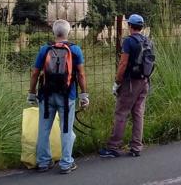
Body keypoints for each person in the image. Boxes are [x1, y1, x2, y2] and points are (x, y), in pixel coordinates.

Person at [27, 19, 89, 174]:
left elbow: (35, 72)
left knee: (44, 129)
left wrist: (31, 93)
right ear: (68, 32)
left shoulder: (44, 49)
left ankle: (43, 162)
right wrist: (83, 95)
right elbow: (81, 74)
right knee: (66, 129)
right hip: (67, 96)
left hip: (46, 96)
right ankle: (66, 163)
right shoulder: (75, 50)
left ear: (54, 32)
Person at [99, 14, 151, 158]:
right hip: (144, 81)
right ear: (141, 26)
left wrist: (117, 82)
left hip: (130, 83)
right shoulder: (147, 40)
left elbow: (122, 64)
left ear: (129, 26)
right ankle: (136, 147)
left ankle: (113, 147)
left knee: (121, 113)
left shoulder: (129, 41)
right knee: (138, 113)